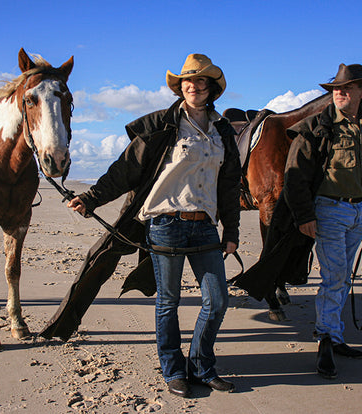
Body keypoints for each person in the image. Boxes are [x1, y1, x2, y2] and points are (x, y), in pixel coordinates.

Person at [66, 53, 241, 397]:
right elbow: (126, 168)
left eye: (200, 80)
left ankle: (202, 366)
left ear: (211, 88)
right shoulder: (162, 124)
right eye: (187, 81)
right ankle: (174, 370)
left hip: (205, 225)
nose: (193, 85)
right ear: (180, 87)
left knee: (217, 300)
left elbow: (230, 184)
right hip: (165, 223)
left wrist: (231, 231)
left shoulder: (221, 130)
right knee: (169, 302)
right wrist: (92, 198)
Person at [283, 64, 362, 379]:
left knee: (343, 277)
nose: (339, 91)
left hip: (357, 211)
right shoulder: (317, 127)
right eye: (336, 88)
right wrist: (304, 216)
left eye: (347, 87)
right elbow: (294, 177)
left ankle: (335, 337)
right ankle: (325, 338)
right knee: (335, 276)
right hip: (328, 210)